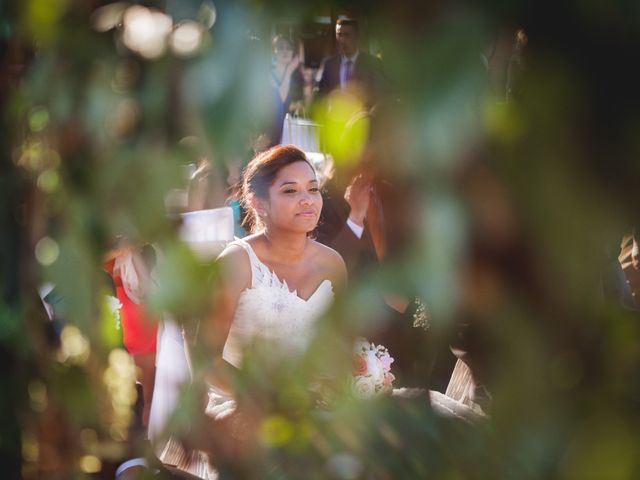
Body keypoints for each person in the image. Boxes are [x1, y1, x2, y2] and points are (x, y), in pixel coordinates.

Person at [159, 145, 347, 477]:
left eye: (313, 189)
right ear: (259, 202)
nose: (308, 199)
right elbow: (207, 359)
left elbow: (340, 347)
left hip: (318, 411)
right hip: (242, 409)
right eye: (290, 190)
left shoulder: (333, 264)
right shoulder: (236, 262)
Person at [317, 18, 387, 110]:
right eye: (339, 35)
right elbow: (321, 97)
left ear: (356, 37)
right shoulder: (329, 65)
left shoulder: (372, 64)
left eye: (347, 35)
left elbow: (380, 96)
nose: (342, 40)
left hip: (363, 120)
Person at [269, 35, 304, 145]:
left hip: (290, 132)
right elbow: (280, 100)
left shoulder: (297, 76)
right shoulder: (268, 73)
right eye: (280, 48)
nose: (285, 51)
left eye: (288, 48)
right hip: (270, 128)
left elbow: (303, 102)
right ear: (274, 51)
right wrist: (289, 70)